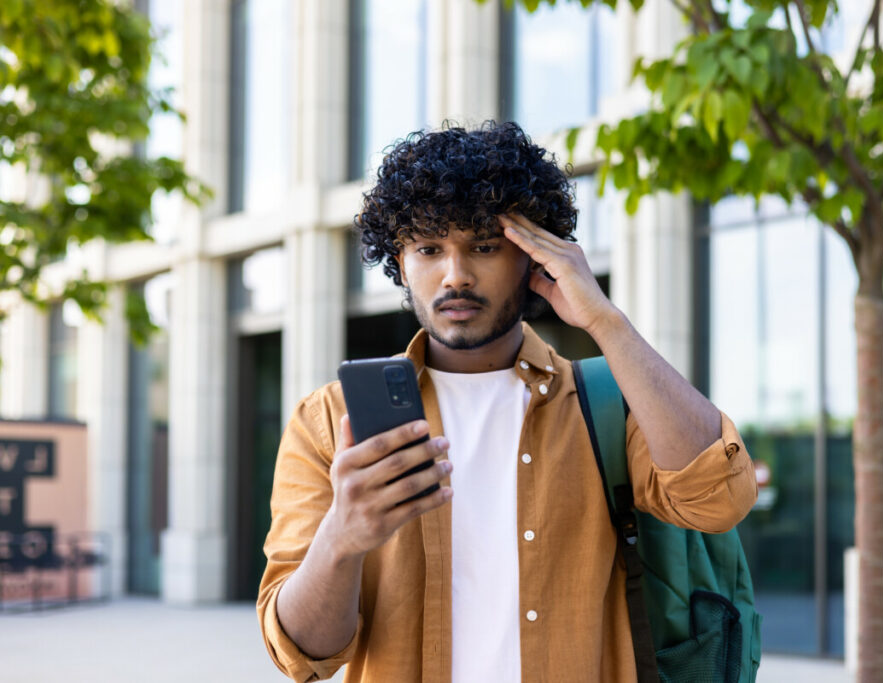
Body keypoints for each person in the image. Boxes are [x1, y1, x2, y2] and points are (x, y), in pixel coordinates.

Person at [257, 121, 757, 683]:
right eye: (428, 248)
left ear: (534, 259)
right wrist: (341, 538)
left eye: (485, 246)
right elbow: (301, 654)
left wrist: (605, 321)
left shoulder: (607, 404)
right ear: (400, 264)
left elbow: (721, 499)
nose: (456, 275)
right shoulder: (327, 422)